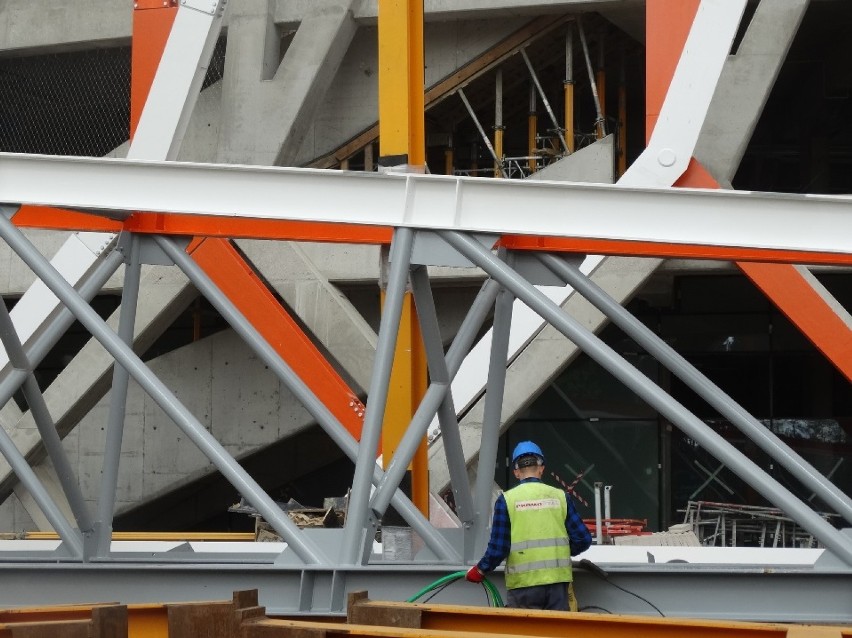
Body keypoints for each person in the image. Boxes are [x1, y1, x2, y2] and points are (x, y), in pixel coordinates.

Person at [466, 440, 592, 611]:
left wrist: (480, 570)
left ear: (516, 472)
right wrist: (558, 551)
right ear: (541, 468)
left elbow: (499, 548)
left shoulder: (507, 500)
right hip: (557, 584)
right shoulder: (560, 497)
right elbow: (583, 539)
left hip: (523, 585)